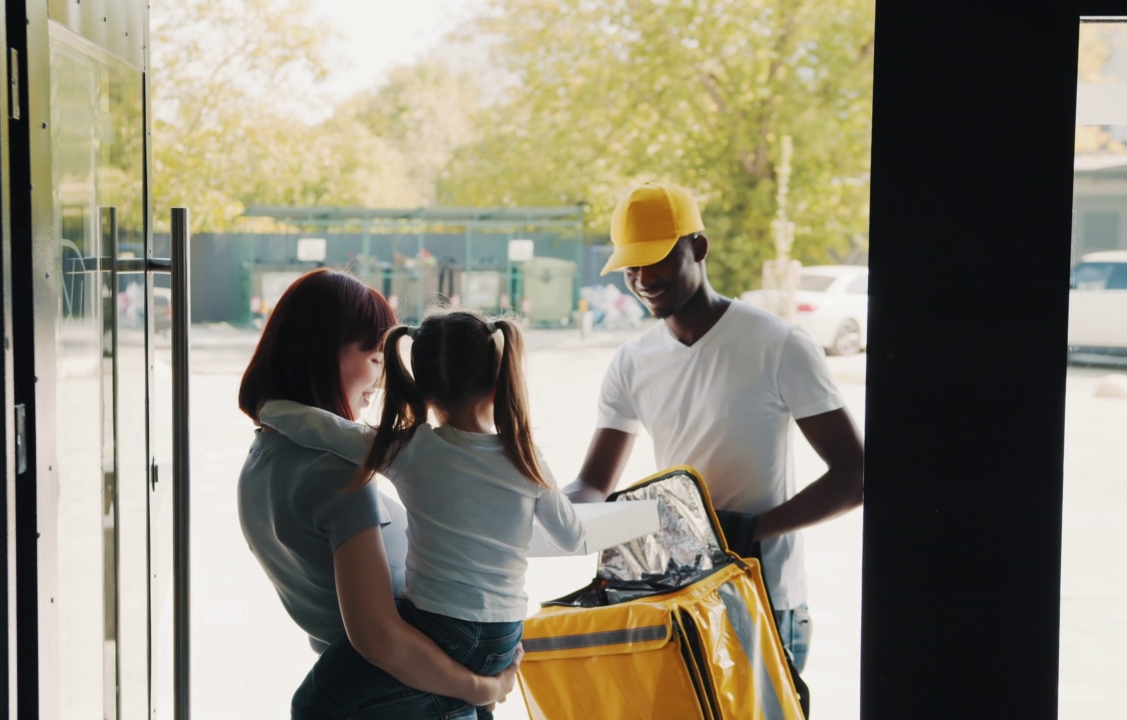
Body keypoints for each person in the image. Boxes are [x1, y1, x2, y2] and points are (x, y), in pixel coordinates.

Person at [564, 181, 865, 677]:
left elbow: (855, 476)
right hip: (681, 598)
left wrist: (748, 531)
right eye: (630, 266)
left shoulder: (778, 344)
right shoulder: (633, 361)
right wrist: (542, 508)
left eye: (655, 258)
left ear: (698, 247)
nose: (641, 278)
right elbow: (591, 485)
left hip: (766, 600)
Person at [261, 309, 586, 719]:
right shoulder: (524, 457)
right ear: (496, 382)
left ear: (422, 389)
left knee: (314, 704)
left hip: (440, 628)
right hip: (505, 637)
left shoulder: (411, 449)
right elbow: (571, 537)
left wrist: (268, 407)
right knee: (465, 699)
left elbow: (326, 429)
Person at [235, 270, 521, 719]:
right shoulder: (337, 476)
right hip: (412, 691)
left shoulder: (263, 457)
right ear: (323, 356)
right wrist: (484, 687)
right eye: (373, 358)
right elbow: (379, 638)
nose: (383, 378)